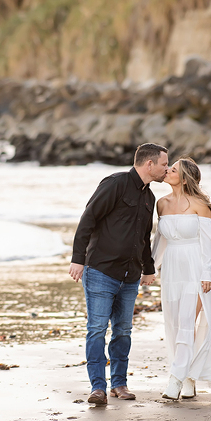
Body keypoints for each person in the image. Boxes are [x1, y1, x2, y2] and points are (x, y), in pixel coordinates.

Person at [69, 143, 169, 405]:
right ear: (149, 164)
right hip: (101, 269)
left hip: (130, 275)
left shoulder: (150, 198)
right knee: (97, 329)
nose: (166, 169)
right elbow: (88, 219)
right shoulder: (115, 183)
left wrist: (148, 268)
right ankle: (98, 388)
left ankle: (119, 384)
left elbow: (144, 239)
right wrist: (78, 259)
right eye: (163, 164)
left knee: (123, 331)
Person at [152, 157, 211, 399]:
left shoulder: (199, 204)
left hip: (197, 269)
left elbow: (210, 243)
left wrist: (208, 272)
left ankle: (175, 380)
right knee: (176, 325)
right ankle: (189, 376)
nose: (167, 171)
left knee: (188, 322)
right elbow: (160, 241)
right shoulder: (161, 204)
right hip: (172, 270)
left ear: (184, 177)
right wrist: (149, 268)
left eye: (173, 169)